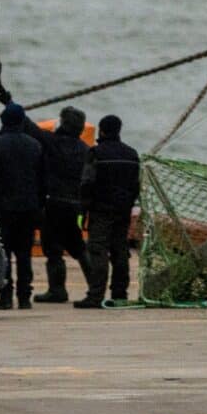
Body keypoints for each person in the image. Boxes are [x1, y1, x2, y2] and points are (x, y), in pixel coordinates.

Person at [0, 92, 91, 303]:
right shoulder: (86, 150)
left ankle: (57, 290)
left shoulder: (52, 142)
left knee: (53, 249)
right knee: (78, 247)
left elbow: (27, 125)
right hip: (75, 205)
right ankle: (95, 287)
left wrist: (9, 102)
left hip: (53, 202)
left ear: (63, 124)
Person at [0, 102, 46, 310]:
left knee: (3, 252)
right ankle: (24, 297)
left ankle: (5, 296)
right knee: (24, 254)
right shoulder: (35, 145)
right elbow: (43, 180)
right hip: (28, 207)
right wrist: (39, 203)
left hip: (3, 207)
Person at [74, 115, 140, 309]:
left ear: (101, 131)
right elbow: (136, 185)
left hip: (100, 210)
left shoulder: (96, 153)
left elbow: (87, 183)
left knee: (98, 250)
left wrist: (83, 210)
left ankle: (95, 295)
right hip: (123, 210)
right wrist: (128, 204)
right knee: (120, 251)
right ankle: (120, 294)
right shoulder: (132, 154)